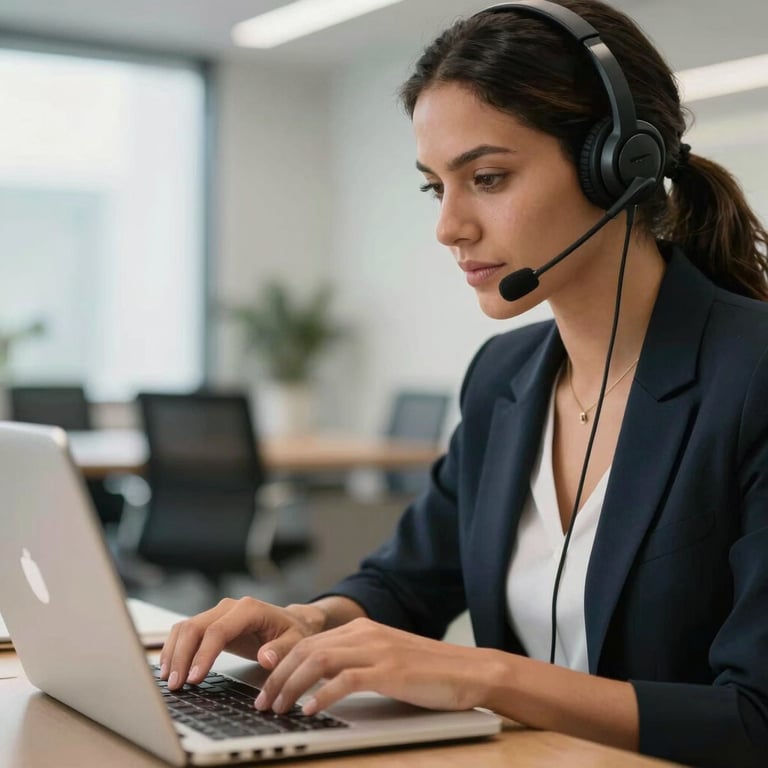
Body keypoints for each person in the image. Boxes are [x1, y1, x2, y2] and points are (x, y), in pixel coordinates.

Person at [160, 1, 768, 765]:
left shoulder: (751, 378)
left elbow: (755, 718)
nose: (449, 226)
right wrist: (310, 624)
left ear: (618, 163)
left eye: (486, 177)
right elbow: (410, 582)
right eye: (433, 188)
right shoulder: (505, 377)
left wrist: (483, 675)